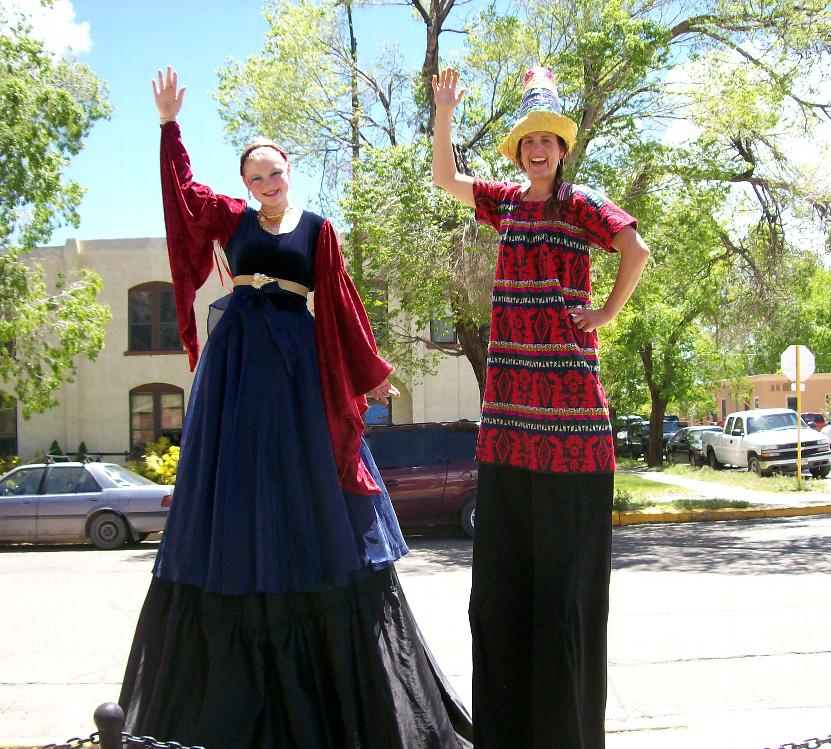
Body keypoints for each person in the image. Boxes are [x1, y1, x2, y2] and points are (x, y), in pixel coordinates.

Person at [117, 66, 472, 749]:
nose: (268, 183)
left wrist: (370, 375)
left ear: (290, 170)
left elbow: (340, 303)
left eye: (275, 172)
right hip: (236, 371)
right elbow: (181, 198)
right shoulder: (231, 220)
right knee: (239, 488)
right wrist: (169, 127)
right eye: (256, 176)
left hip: (295, 368)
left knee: (306, 487)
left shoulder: (318, 230)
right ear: (246, 182)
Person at [431, 66, 651, 748]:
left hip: (572, 421)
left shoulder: (581, 205)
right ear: (521, 148)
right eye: (529, 140)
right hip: (507, 422)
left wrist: (606, 312)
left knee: (565, 598)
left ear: (561, 148)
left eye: (548, 140)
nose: (538, 150)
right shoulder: (505, 203)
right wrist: (443, 113)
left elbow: (635, 248)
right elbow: (446, 178)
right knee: (505, 593)